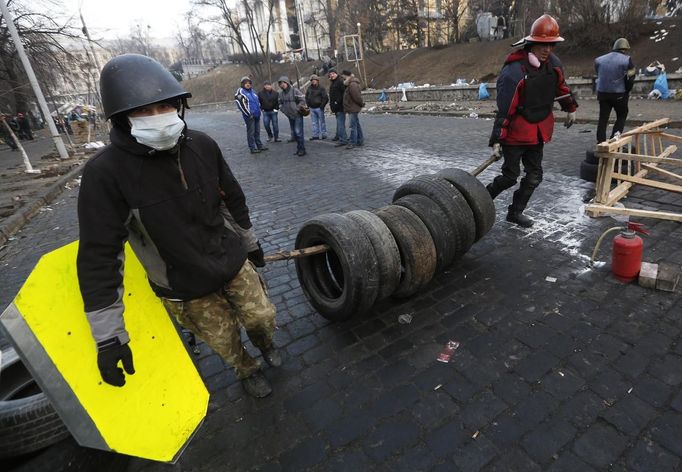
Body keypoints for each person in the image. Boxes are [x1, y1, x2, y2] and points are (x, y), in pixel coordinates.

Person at [76, 54, 280, 399]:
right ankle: (247, 370)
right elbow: (99, 255)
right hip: (183, 285)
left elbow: (231, 198)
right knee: (225, 340)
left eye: (164, 107)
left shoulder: (202, 145)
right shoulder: (104, 174)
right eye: (143, 111)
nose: (158, 118)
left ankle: (265, 344)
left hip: (230, 261)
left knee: (261, 317)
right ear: (122, 118)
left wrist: (249, 242)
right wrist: (109, 337)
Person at [487, 14, 578, 228]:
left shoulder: (553, 65)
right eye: (542, 45)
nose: (547, 50)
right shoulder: (514, 71)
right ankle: (481, 199)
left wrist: (571, 108)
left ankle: (515, 212)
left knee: (535, 176)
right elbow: (506, 108)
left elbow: (561, 88)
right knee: (510, 176)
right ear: (531, 43)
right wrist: (497, 139)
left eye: (551, 45)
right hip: (516, 134)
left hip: (538, 131)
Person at [594, 38, 636, 144]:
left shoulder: (599, 59)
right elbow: (631, 78)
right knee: (622, 115)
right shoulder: (627, 59)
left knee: (603, 118)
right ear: (625, 49)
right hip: (619, 94)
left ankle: (600, 141)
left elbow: (598, 73)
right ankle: (614, 139)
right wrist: (627, 90)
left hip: (602, 93)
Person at [235, 76, 267, 154]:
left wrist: (259, 110)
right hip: (249, 116)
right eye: (246, 83)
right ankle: (252, 148)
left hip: (257, 115)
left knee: (257, 131)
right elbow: (241, 105)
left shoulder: (252, 91)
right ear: (242, 84)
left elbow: (257, 101)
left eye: (249, 83)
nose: (248, 84)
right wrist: (249, 114)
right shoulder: (240, 92)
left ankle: (259, 145)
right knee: (251, 132)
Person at [277, 76, 307, 156]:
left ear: (287, 83)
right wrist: (283, 110)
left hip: (297, 115)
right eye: (280, 83)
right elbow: (279, 103)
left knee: (298, 132)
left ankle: (302, 149)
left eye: (283, 83)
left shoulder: (295, 91)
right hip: (289, 115)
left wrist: (297, 108)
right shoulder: (281, 94)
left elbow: (303, 100)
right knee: (295, 133)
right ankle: (299, 148)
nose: (282, 85)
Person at [341, 70, 364, 149]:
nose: (342, 78)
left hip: (352, 108)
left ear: (345, 76)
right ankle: (360, 140)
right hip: (352, 107)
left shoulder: (352, 84)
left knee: (352, 126)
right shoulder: (350, 84)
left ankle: (352, 142)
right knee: (356, 124)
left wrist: (361, 104)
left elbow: (357, 97)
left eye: (343, 76)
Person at [305, 74, 328, 140]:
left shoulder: (321, 88)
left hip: (319, 108)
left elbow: (325, 98)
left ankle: (324, 134)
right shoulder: (309, 88)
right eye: (312, 80)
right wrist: (308, 104)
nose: (313, 81)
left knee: (322, 122)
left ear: (317, 80)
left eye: (314, 80)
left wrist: (322, 106)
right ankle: (315, 135)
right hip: (312, 108)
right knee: (314, 123)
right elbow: (306, 97)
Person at [328, 69, 347, 147]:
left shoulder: (339, 81)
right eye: (330, 74)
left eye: (333, 73)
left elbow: (343, 93)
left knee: (340, 123)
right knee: (339, 123)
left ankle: (343, 140)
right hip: (335, 107)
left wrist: (337, 102)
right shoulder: (333, 82)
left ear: (336, 73)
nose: (331, 75)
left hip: (340, 106)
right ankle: (339, 136)